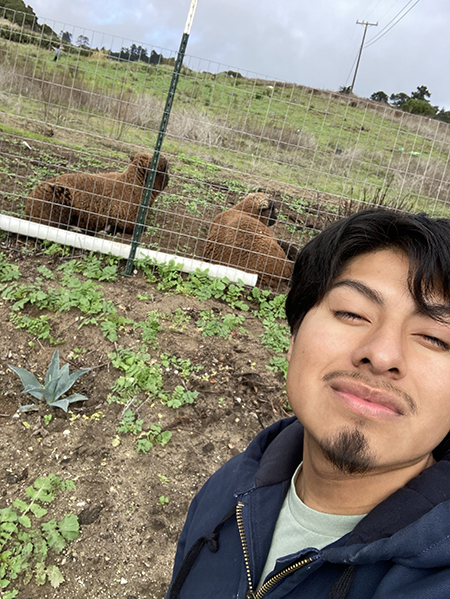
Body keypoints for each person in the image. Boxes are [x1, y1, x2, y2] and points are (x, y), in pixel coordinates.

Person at [166, 209, 450, 599]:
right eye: (352, 312)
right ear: (293, 339)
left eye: (435, 338)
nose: (382, 355)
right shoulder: (230, 488)